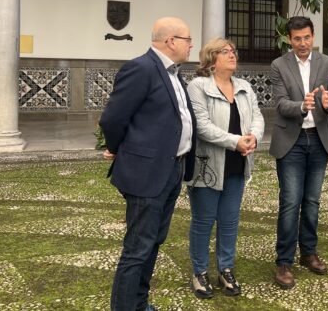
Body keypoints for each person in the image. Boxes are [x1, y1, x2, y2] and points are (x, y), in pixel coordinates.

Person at [100, 17, 196, 311]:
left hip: (171, 169)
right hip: (147, 173)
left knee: (153, 242)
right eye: (187, 39)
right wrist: (118, 149)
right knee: (137, 249)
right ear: (171, 42)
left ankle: (140, 304)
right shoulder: (141, 68)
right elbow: (113, 118)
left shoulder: (174, 74)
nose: (191, 45)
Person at [186, 38, 264, 299]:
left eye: (233, 51)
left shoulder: (243, 86)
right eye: (225, 51)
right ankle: (199, 272)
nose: (232, 55)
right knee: (203, 221)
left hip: (238, 163)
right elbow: (202, 126)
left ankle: (225, 269)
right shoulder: (198, 86)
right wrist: (236, 141)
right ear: (211, 58)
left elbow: (257, 117)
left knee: (229, 222)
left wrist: (253, 137)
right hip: (207, 164)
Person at [270, 16, 328, 289]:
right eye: (297, 38)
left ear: (313, 36)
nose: (302, 43)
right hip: (292, 141)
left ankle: (308, 252)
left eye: (306, 37)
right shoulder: (279, 65)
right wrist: (302, 105)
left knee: (312, 201)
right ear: (290, 39)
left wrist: (327, 103)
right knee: (290, 201)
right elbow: (279, 103)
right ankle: (284, 261)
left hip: (319, 139)